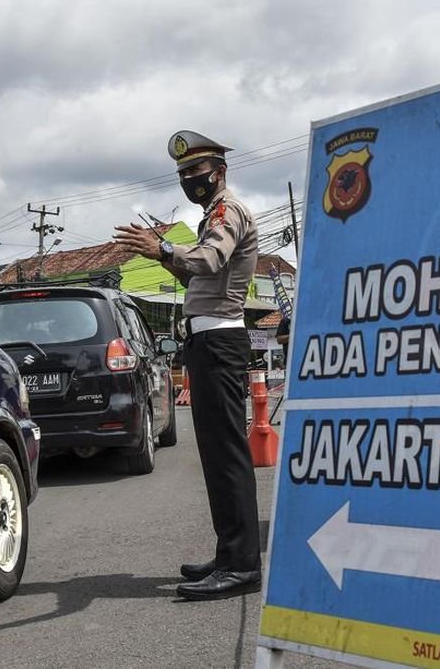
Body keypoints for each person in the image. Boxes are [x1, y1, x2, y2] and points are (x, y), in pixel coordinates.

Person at [113, 130, 261, 601]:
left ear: (219, 171)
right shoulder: (208, 217)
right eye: (183, 175)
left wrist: (160, 248)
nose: (189, 181)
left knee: (228, 455)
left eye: (196, 172)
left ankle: (241, 566)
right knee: (215, 456)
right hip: (206, 341)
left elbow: (213, 259)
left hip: (221, 340)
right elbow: (194, 269)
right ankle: (229, 554)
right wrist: (160, 254)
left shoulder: (228, 211)